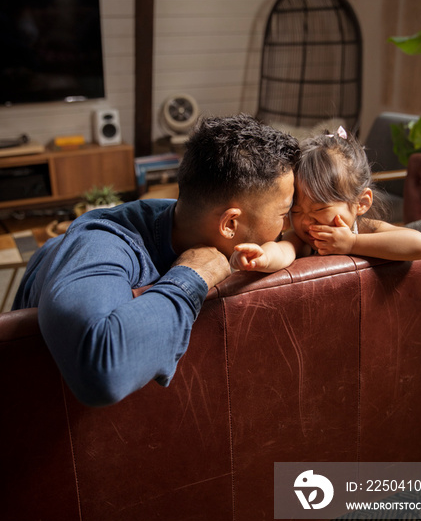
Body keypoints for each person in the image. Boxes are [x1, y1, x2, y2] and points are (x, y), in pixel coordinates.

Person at [13, 115, 300, 406]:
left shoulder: (191, 218)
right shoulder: (100, 244)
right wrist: (191, 276)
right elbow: (102, 371)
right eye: (283, 214)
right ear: (229, 224)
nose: (287, 226)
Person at [230, 127, 421, 273]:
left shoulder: (366, 230)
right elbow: (282, 250)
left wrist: (352, 243)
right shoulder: (302, 240)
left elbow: (420, 245)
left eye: (319, 209)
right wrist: (263, 257)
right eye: (297, 211)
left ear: (360, 203)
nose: (307, 222)